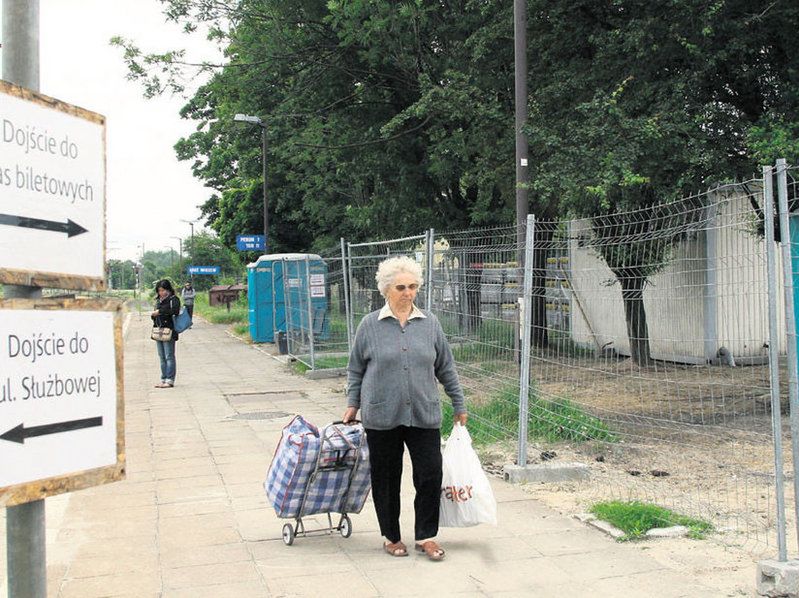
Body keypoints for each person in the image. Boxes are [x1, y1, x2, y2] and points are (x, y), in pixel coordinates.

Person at [342, 256, 468, 561]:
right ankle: (391, 536)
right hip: (381, 415)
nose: (408, 293)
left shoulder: (430, 324)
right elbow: (356, 369)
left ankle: (426, 536)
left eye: (413, 286)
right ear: (387, 289)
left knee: (429, 474)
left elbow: (446, 368)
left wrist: (459, 403)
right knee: (386, 479)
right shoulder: (370, 325)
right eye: (401, 287)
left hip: (424, 413)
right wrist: (352, 403)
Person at [151, 279, 181, 388]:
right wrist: (154, 315)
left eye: (163, 290)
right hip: (159, 331)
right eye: (159, 291)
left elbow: (175, 311)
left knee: (169, 356)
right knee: (162, 356)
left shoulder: (174, 299)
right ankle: (163, 379)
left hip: (169, 331)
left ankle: (170, 380)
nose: (161, 293)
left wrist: (160, 311)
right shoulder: (158, 301)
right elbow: (155, 316)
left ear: (168, 289)